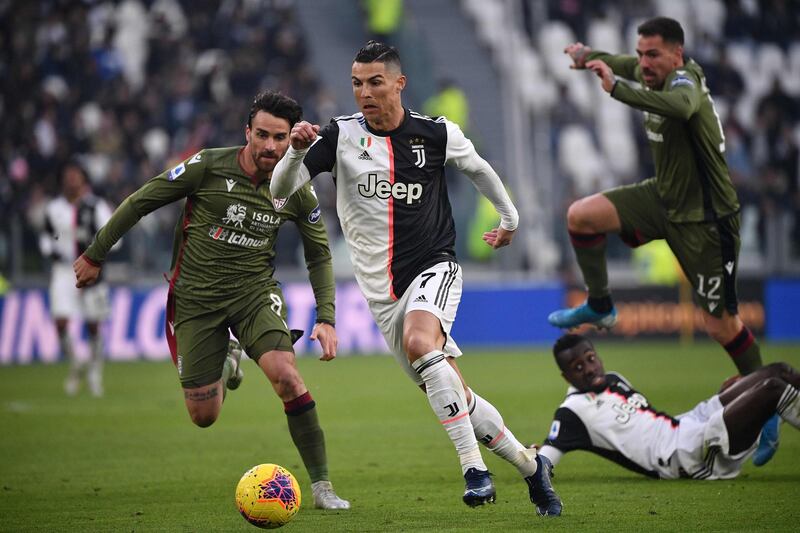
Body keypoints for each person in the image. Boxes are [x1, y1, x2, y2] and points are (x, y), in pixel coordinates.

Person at [269, 40, 562, 515]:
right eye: (357, 83)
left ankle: (474, 470)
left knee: (423, 345)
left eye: (375, 82)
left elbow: (479, 169)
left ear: (399, 83)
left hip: (434, 266)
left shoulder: (436, 133)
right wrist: (297, 154)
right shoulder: (339, 136)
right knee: (455, 394)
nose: (364, 92)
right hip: (382, 297)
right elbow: (280, 192)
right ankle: (532, 468)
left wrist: (509, 220)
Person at [73, 91, 349, 510]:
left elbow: (319, 254)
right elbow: (142, 200)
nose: (270, 147)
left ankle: (323, 487)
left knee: (287, 377)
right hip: (196, 298)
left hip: (254, 293)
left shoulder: (296, 187)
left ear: (290, 139)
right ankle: (228, 357)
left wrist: (326, 317)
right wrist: (96, 254)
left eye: (279, 137)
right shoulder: (207, 165)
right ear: (247, 132)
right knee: (204, 416)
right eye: (262, 135)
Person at [550, 17, 763, 378]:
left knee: (721, 327)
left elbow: (681, 106)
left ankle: (770, 399)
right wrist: (589, 56)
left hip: (706, 219)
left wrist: (617, 89)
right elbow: (626, 64)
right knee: (581, 216)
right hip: (664, 197)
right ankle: (600, 305)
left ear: (677, 53)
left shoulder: (685, 81)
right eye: (641, 54)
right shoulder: (650, 71)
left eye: (653, 55)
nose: (644, 63)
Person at [539, 334, 800, 480]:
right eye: (578, 367)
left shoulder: (614, 379)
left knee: (779, 370)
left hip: (687, 424)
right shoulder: (571, 411)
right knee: (773, 389)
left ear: (598, 356)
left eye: (591, 359)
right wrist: (529, 458)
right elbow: (545, 461)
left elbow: (651, 424)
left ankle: (764, 415)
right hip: (685, 456)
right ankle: (766, 413)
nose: (589, 369)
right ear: (566, 377)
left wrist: (734, 401)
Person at [40, 160, 114, 397]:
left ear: (84, 178)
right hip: (63, 270)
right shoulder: (53, 208)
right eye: (68, 174)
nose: (71, 179)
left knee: (93, 324)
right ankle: (76, 363)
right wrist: (52, 250)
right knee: (60, 321)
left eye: (75, 174)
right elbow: (45, 237)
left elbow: (113, 234)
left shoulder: (96, 207)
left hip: (92, 269)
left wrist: (95, 258)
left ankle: (94, 373)